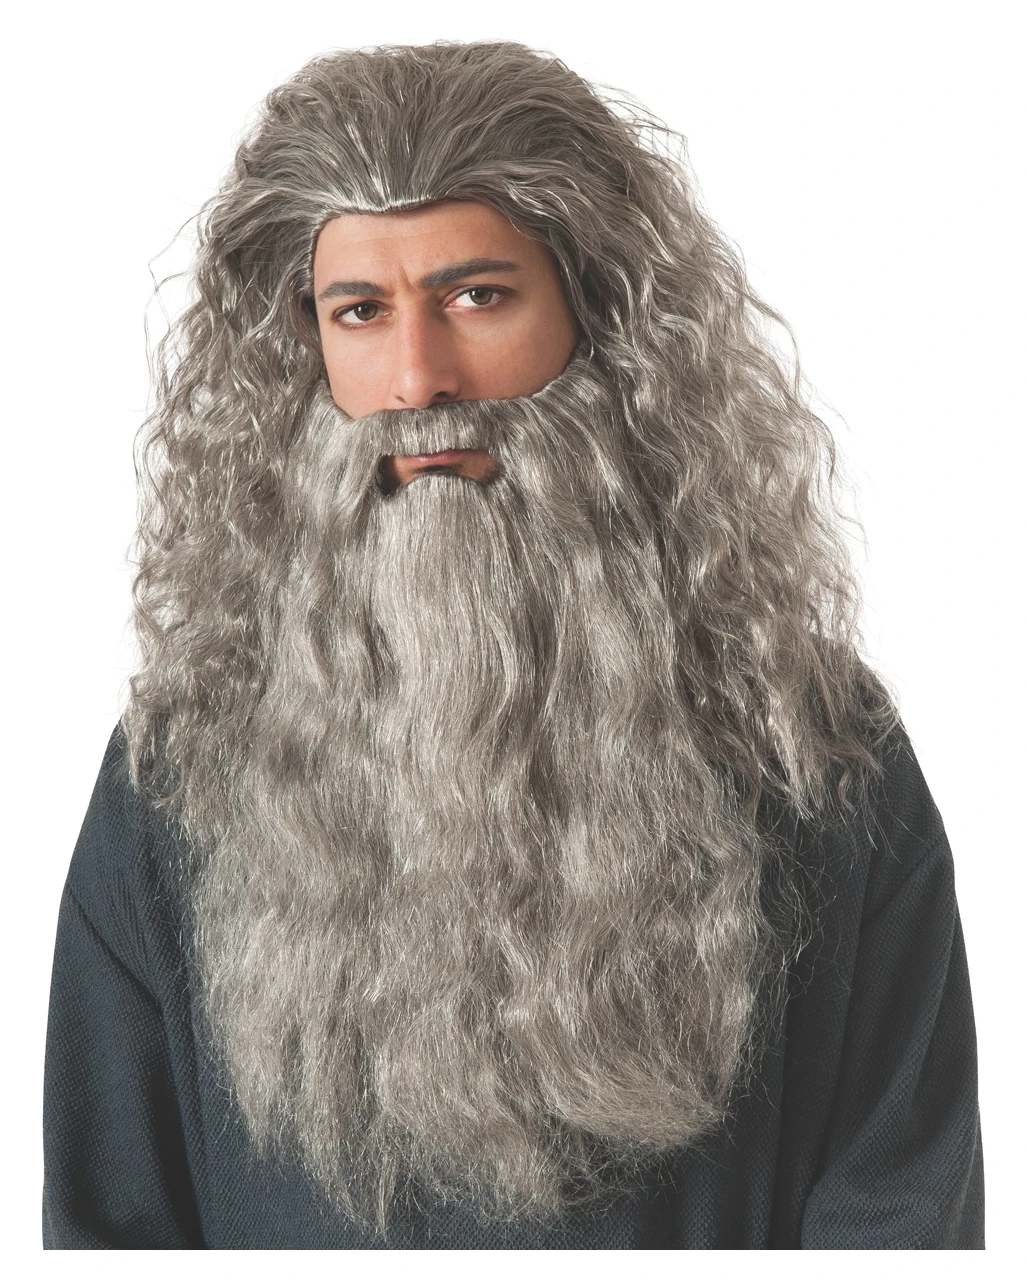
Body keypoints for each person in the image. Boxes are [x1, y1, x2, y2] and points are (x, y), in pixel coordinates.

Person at [42, 40, 984, 1249]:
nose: (418, 378)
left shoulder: (810, 744)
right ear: (306, 348)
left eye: (477, 296)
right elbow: (109, 1223)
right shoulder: (182, 766)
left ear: (603, 316)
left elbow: (900, 1205)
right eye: (360, 311)